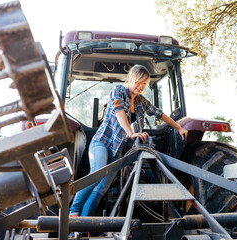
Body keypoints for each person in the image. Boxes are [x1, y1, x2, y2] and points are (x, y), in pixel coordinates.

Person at [69, 64, 188, 217]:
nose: (140, 86)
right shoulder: (118, 91)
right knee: (96, 175)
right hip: (102, 143)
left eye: (144, 83)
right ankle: (73, 212)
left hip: (117, 149)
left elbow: (159, 114)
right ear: (130, 79)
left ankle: (83, 224)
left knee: (102, 188)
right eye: (138, 82)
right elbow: (119, 113)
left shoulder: (141, 101)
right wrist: (131, 133)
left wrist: (179, 127)